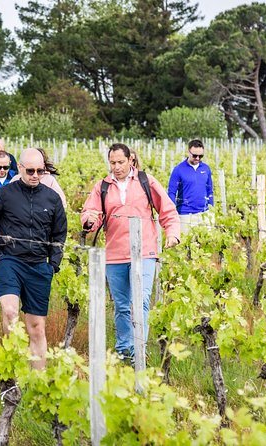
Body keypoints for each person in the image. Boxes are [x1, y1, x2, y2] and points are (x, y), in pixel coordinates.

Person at [81, 143, 180, 364]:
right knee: (122, 305)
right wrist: (89, 220)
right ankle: (124, 349)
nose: (116, 167)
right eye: (112, 163)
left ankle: (138, 351)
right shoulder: (103, 186)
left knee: (141, 301)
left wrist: (172, 233)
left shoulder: (146, 181)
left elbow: (167, 209)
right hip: (115, 254)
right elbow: (92, 212)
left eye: (120, 162)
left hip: (144, 252)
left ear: (131, 160)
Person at [0, 148, 67, 370]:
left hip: (39, 265)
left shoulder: (52, 198)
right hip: (9, 261)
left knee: (36, 326)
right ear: (19, 168)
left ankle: (37, 383)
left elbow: (59, 234)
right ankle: (13, 371)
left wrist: (53, 265)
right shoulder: (3, 195)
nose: (35, 175)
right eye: (30, 170)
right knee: (10, 313)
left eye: (40, 170)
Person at [167, 139, 214, 234]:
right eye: (195, 155)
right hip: (185, 215)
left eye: (200, 156)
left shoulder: (206, 168)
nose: (197, 158)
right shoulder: (178, 170)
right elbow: (171, 192)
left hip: (204, 214)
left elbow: (209, 189)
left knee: (206, 243)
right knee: (187, 245)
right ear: (188, 152)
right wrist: (173, 212)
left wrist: (211, 208)